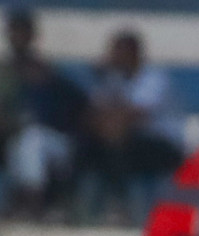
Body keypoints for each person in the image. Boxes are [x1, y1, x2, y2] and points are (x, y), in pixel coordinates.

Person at [0, 8, 89, 217]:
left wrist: (46, 81)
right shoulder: (0, 71)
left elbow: (79, 106)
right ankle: (18, 205)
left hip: (57, 145)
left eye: (22, 31)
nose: (17, 37)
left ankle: (34, 206)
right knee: (19, 143)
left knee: (32, 139)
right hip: (12, 139)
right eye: (13, 31)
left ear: (32, 35)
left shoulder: (50, 72)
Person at [75, 29, 184, 224]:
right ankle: (83, 210)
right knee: (88, 146)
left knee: (119, 142)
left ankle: (124, 207)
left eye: (120, 52)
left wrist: (108, 123)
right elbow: (92, 114)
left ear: (134, 53)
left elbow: (133, 116)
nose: (115, 58)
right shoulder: (111, 79)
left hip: (162, 144)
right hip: (123, 142)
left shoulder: (154, 78)